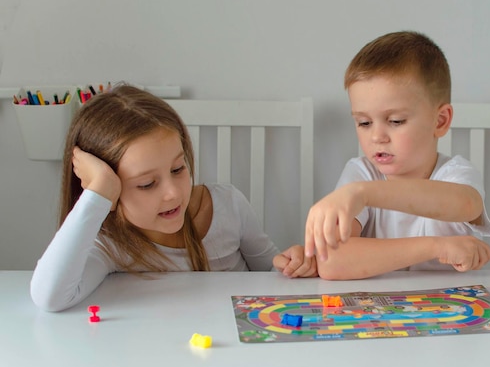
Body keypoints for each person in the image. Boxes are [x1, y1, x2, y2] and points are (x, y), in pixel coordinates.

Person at [31, 84, 316, 312]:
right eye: (147, 184)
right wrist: (97, 193)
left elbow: (267, 268)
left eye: (178, 169)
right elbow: (51, 297)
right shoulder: (111, 244)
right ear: (111, 193)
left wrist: (288, 265)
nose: (173, 193)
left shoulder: (228, 205)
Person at [301, 31, 490, 280]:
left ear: (440, 120)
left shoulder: (455, 173)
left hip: (452, 312)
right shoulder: (361, 173)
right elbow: (331, 262)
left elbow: (467, 205)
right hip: (377, 314)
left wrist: (363, 194)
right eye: (364, 122)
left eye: (395, 120)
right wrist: (435, 247)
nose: (377, 137)